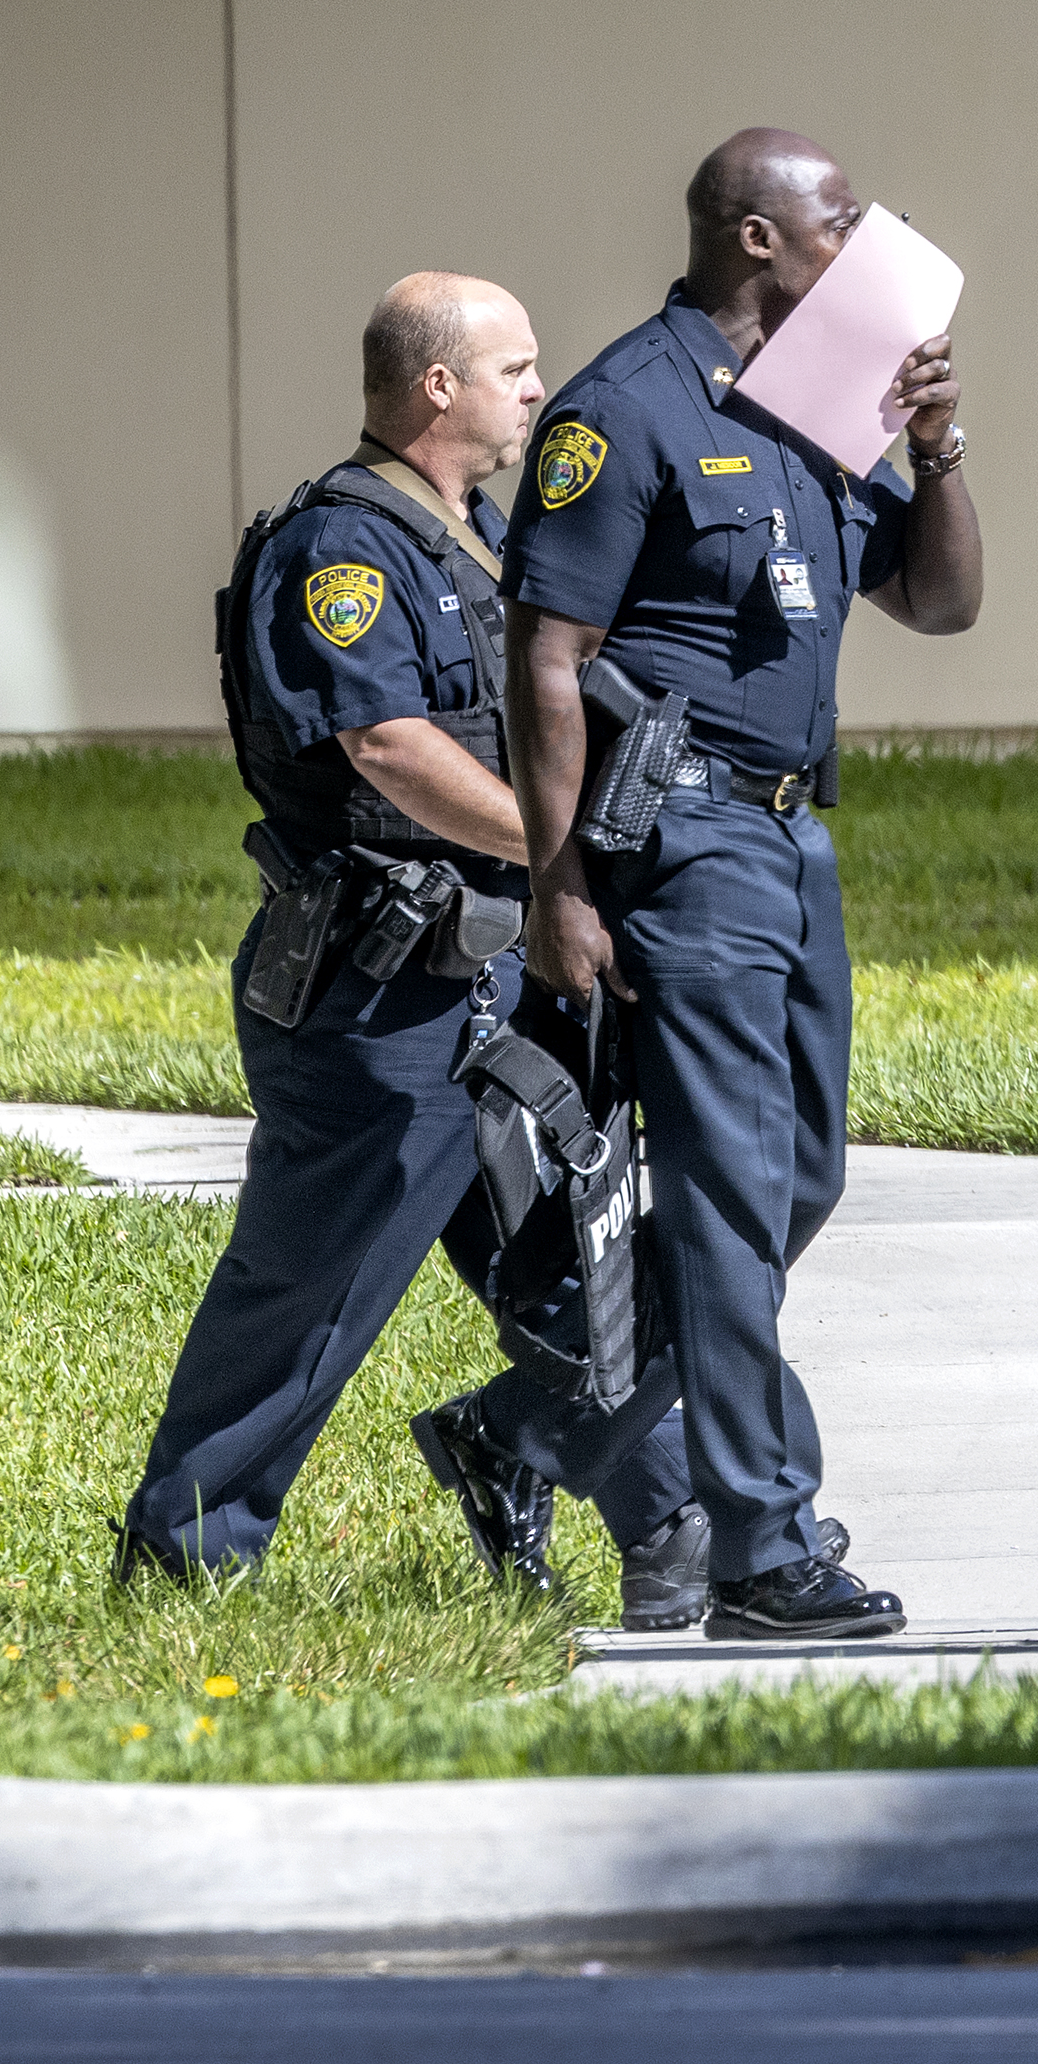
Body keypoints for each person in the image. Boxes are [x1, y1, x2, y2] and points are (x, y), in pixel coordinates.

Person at [119, 275, 704, 1612]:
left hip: (491, 976)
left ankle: (671, 1532)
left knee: (577, 1260)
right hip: (378, 997)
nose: (538, 394)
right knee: (317, 1279)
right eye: (517, 370)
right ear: (435, 385)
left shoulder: (477, 539)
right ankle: (186, 1552)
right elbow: (385, 749)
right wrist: (556, 849)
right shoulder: (343, 547)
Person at [505, 132, 980, 1644]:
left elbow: (943, 599)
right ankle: (763, 1550)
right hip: (682, 834)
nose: (873, 241)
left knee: (801, 1172)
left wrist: (941, 446)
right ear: (761, 238)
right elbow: (549, 657)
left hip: (792, 837)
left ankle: (532, 1429)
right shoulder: (624, 407)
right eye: (844, 219)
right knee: (723, 1187)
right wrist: (559, 878)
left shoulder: (826, 413)